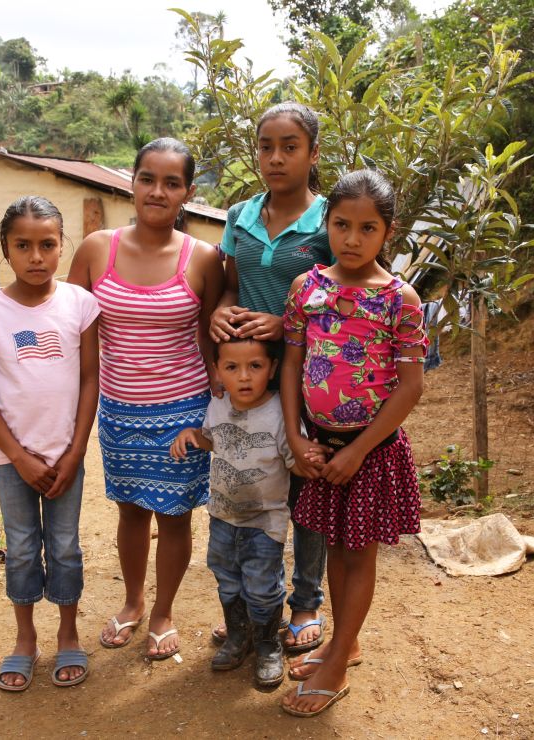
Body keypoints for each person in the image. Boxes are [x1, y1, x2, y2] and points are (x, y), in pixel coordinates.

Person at [0, 138, 223, 660]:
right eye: (148, 178)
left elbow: (211, 336)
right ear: (131, 181)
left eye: (172, 182)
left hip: (182, 409)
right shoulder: (95, 249)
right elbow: (53, 308)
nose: (158, 191)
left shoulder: (204, 259)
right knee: (131, 512)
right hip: (119, 408)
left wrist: (221, 413)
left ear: (188, 192)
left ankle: (163, 612)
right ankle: (132, 603)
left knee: (175, 517)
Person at [278, 170, 427, 717]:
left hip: (369, 452)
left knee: (357, 554)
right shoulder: (307, 288)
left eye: (368, 228)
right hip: (318, 446)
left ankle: (336, 664)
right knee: (333, 550)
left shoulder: (399, 300)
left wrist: (358, 450)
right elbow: (292, 363)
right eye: (342, 224)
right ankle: (346, 642)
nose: (353, 238)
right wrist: (296, 437)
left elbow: (410, 387)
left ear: (388, 232)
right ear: (327, 222)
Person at [209, 101, 333, 653]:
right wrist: (221, 310)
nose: (276, 158)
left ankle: (304, 602)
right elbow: (231, 287)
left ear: (313, 154)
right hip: (249, 381)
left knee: (304, 488)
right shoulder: (239, 217)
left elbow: (347, 301)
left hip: (309, 378)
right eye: (266, 146)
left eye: (290, 147)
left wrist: (286, 323)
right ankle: (249, 608)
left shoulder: (333, 220)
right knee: (249, 486)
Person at [0, 196, 100, 692]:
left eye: (47, 244)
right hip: (12, 459)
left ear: (62, 246)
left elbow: (91, 381)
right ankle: (25, 640)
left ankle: (68, 633)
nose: (37, 256)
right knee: (22, 549)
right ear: (5, 249)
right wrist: (19, 457)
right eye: (23, 245)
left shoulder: (80, 305)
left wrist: (75, 452)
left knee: (64, 547)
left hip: (66, 455)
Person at [170, 337, 326, 688]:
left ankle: (267, 644)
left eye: (254, 366)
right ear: (217, 372)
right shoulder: (218, 404)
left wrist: (313, 459)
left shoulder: (280, 414)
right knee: (227, 578)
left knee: (262, 586)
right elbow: (213, 439)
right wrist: (192, 434)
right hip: (222, 515)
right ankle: (239, 636)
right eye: (231, 368)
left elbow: (295, 462)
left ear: (271, 369)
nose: (243, 377)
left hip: (264, 522)